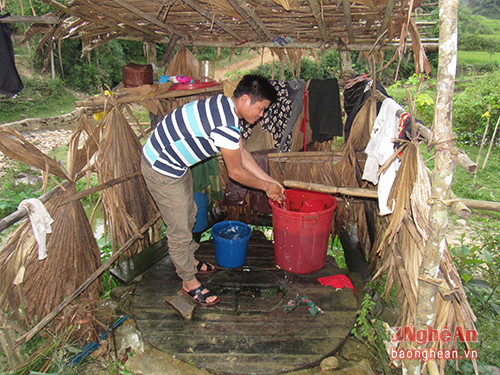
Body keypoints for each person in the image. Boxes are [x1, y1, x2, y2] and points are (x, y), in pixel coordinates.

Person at [141, 74, 285, 306]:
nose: (261, 116)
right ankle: (188, 282)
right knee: (179, 227)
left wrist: (271, 182)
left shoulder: (225, 106)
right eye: (261, 109)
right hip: (161, 167)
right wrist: (267, 187)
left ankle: (189, 259)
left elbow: (243, 154)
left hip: (176, 164)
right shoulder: (225, 123)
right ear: (246, 99)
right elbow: (236, 172)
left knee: (189, 214)